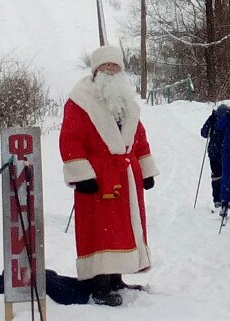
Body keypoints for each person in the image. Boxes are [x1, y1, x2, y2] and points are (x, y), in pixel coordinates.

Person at [59, 45, 159, 306]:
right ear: (96, 69)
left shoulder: (126, 100)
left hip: (126, 176)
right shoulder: (80, 100)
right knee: (101, 230)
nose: (111, 69)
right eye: (106, 65)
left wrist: (146, 170)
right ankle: (99, 285)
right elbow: (70, 138)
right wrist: (81, 175)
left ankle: (116, 279)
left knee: (122, 228)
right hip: (98, 177)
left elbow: (139, 137)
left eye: (115, 65)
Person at [200, 104, 230, 209]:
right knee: (227, 175)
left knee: (217, 176)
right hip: (224, 151)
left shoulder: (213, 118)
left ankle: (217, 199)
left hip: (216, 151)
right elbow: (204, 133)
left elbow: (203, 133)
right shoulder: (226, 118)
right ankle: (229, 199)